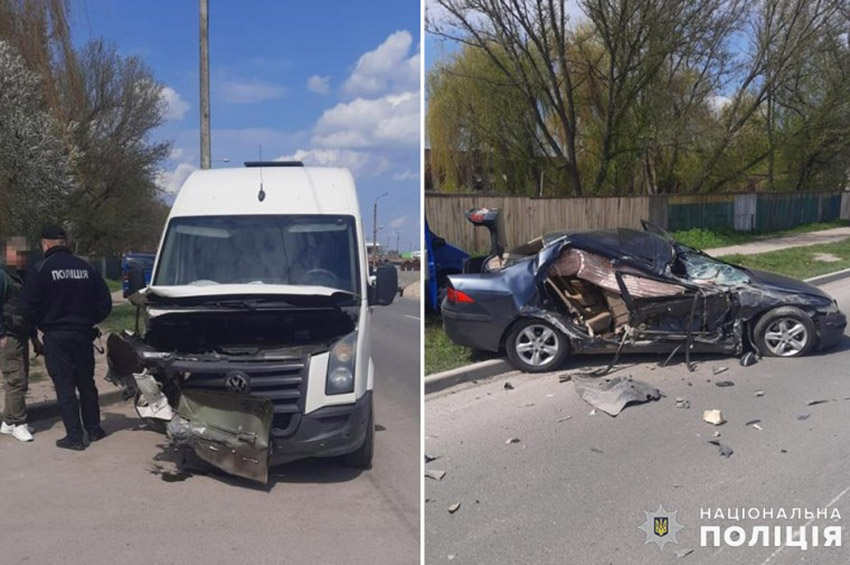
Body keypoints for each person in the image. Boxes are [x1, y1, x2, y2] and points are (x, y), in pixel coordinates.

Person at [21, 226, 112, 451]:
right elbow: (105, 304)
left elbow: (26, 308)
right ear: (65, 242)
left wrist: (40, 325)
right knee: (86, 383)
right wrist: (88, 319)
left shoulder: (40, 269)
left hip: (56, 336)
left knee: (65, 385)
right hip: (83, 334)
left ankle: (74, 436)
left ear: (45, 244)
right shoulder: (86, 268)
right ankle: (94, 428)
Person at [0, 237, 43, 442]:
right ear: (7, 253)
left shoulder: (22, 277)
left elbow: (28, 310)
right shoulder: (3, 276)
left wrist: (34, 337)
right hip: (8, 335)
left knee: (19, 377)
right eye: (17, 254)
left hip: (22, 333)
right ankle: (19, 423)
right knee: (16, 379)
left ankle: (8, 422)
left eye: (23, 255)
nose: (21, 258)